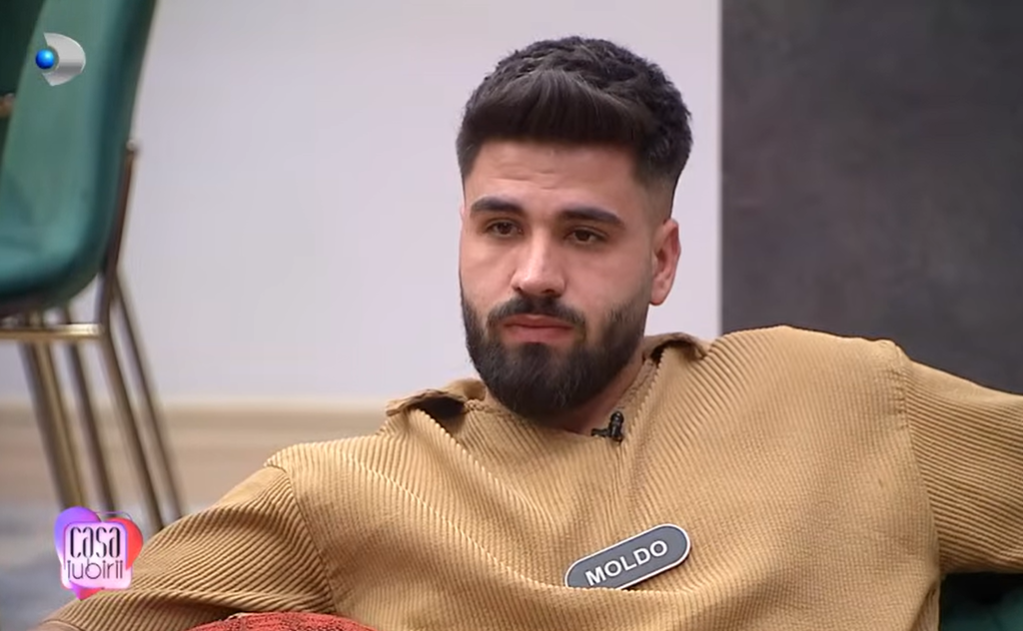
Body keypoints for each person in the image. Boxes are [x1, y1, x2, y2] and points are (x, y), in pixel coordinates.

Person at [35, 36, 1022, 631]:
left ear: (662, 260)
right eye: (501, 226)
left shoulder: (847, 396)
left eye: (585, 234)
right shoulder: (341, 492)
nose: (535, 272)